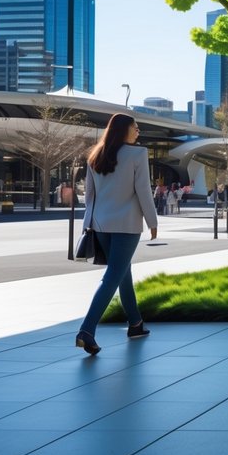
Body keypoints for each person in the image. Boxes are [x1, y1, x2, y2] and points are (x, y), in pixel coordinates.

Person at [75, 114, 159, 355]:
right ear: (123, 130)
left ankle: (135, 323)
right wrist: (152, 221)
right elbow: (143, 190)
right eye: (135, 127)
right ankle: (87, 330)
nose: (138, 131)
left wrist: (87, 224)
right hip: (127, 225)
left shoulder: (95, 155)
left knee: (123, 272)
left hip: (100, 224)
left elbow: (89, 196)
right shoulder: (137, 154)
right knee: (113, 275)